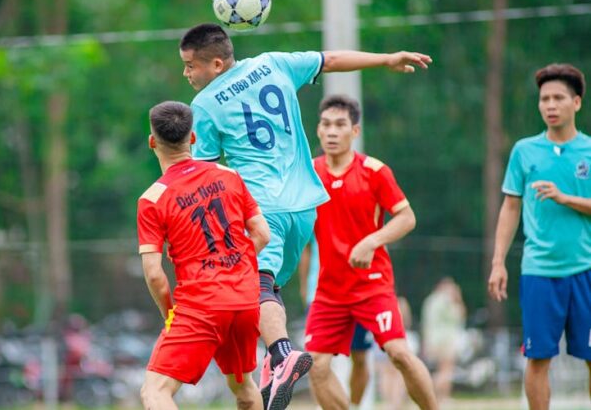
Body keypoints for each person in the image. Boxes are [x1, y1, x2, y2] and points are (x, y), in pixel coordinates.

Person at [179, 22, 432, 410]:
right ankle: (271, 361)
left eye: (190, 66)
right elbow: (331, 59)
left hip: (263, 209)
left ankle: (280, 355)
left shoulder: (206, 105)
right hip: (306, 205)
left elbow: (207, 174)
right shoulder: (274, 63)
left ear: (215, 64)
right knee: (268, 289)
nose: (186, 74)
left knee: (252, 284)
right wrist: (386, 59)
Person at [303, 95, 437, 410]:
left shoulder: (374, 171)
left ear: (355, 131)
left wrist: (371, 241)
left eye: (340, 125)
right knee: (317, 367)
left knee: (399, 354)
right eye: (326, 124)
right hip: (329, 290)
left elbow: (407, 218)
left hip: (372, 284)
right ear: (318, 131)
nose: (332, 132)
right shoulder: (308, 173)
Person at [137, 101, 271, 410]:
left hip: (200, 306)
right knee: (242, 386)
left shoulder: (152, 199)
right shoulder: (228, 175)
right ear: (193, 138)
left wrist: (170, 312)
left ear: (152, 142)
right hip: (244, 302)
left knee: (155, 392)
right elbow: (262, 234)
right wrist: (237, 268)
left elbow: (154, 274)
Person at [487, 63, 591, 410]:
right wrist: (498, 262)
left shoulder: (589, 151)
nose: (550, 105)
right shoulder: (524, 151)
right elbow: (510, 208)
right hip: (538, 272)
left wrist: (565, 198)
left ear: (576, 103)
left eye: (558, 98)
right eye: (544, 98)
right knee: (537, 358)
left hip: (585, 269)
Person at [300, 240, 374, 409]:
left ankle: (355, 406)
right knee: (316, 361)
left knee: (360, 358)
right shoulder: (315, 213)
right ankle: (325, 405)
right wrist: (304, 288)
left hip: (358, 293)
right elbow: (306, 249)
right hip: (319, 295)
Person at [421, 277, 466, 403]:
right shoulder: (446, 300)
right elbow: (459, 316)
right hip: (446, 340)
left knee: (439, 370)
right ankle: (441, 397)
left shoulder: (429, 301)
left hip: (432, 340)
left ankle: (434, 396)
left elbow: (426, 324)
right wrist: (458, 299)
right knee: (446, 370)